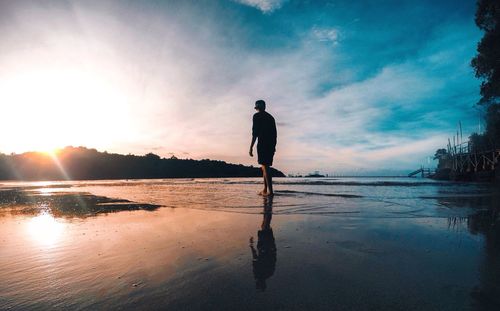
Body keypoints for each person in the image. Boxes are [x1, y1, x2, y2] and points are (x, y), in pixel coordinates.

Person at [249, 99, 277, 196]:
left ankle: (270, 191)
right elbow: (275, 134)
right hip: (271, 144)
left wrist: (251, 147)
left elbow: (255, 133)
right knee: (265, 167)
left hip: (263, 143)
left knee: (265, 167)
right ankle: (265, 189)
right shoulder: (271, 117)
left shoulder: (256, 116)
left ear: (257, 108)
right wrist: (274, 146)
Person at [249, 195, 276, 291]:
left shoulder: (267, 273)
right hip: (266, 246)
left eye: (257, 284)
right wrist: (252, 246)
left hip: (265, 247)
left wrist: (252, 246)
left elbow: (255, 258)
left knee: (265, 224)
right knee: (265, 224)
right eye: (258, 284)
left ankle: (268, 204)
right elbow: (256, 258)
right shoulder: (264, 273)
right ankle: (269, 203)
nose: (257, 282)